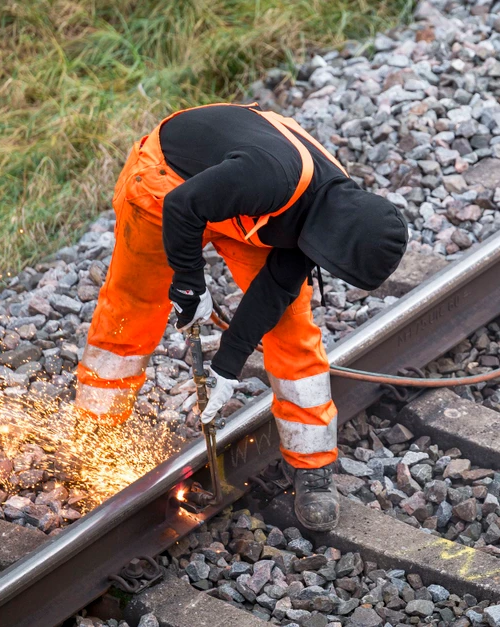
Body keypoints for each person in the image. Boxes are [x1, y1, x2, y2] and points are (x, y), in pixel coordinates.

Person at [74, 102, 408, 531]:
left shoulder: (334, 215)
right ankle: (96, 432)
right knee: (134, 308)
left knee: (293, 330)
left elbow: (273, 293)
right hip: (168, 183)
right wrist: (191, 284)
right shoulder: (270, 177)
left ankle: (312, 465)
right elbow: (182, 206)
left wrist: (227, 364)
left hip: (244, 201)